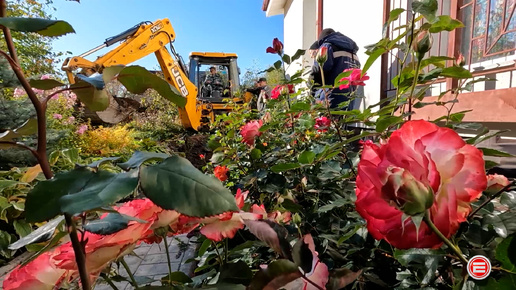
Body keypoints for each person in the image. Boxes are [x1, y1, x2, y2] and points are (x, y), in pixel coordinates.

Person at [310, 28, 360, 109]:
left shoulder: (327, 46)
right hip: (348, 101)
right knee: (343, 121)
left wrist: (312, 93)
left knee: (328, 120)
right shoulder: (353, 52)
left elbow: (318, 71)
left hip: (329, 100)